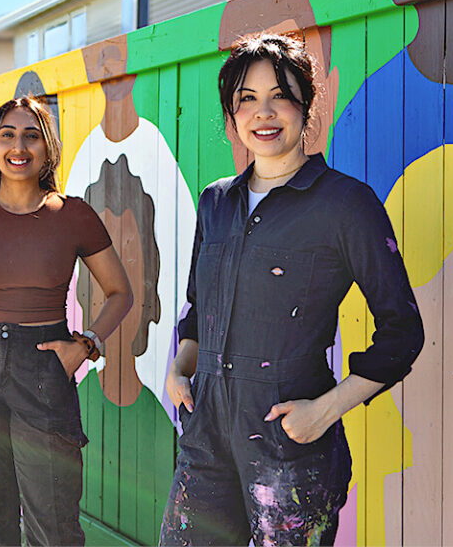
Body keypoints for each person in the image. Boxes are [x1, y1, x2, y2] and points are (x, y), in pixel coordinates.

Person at [162, 32, 424, 546]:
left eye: (279, 96)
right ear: (232, 115)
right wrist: (180, 366)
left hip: (289, 448)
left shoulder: (346, 204)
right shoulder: (215, 202)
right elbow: (201, 310)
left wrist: (322, 412)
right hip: (206, 438)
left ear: (306, 106)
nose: (264, 113)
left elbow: (403, 331)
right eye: (247, 99)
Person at [0, 95, 133, 546]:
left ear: (48, 146)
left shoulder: (73, 214)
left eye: (32, 135)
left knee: (53, 529)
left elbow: (121, 293)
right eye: (8, 135)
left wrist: (87, 343)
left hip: (42, 371)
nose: (19, 146)